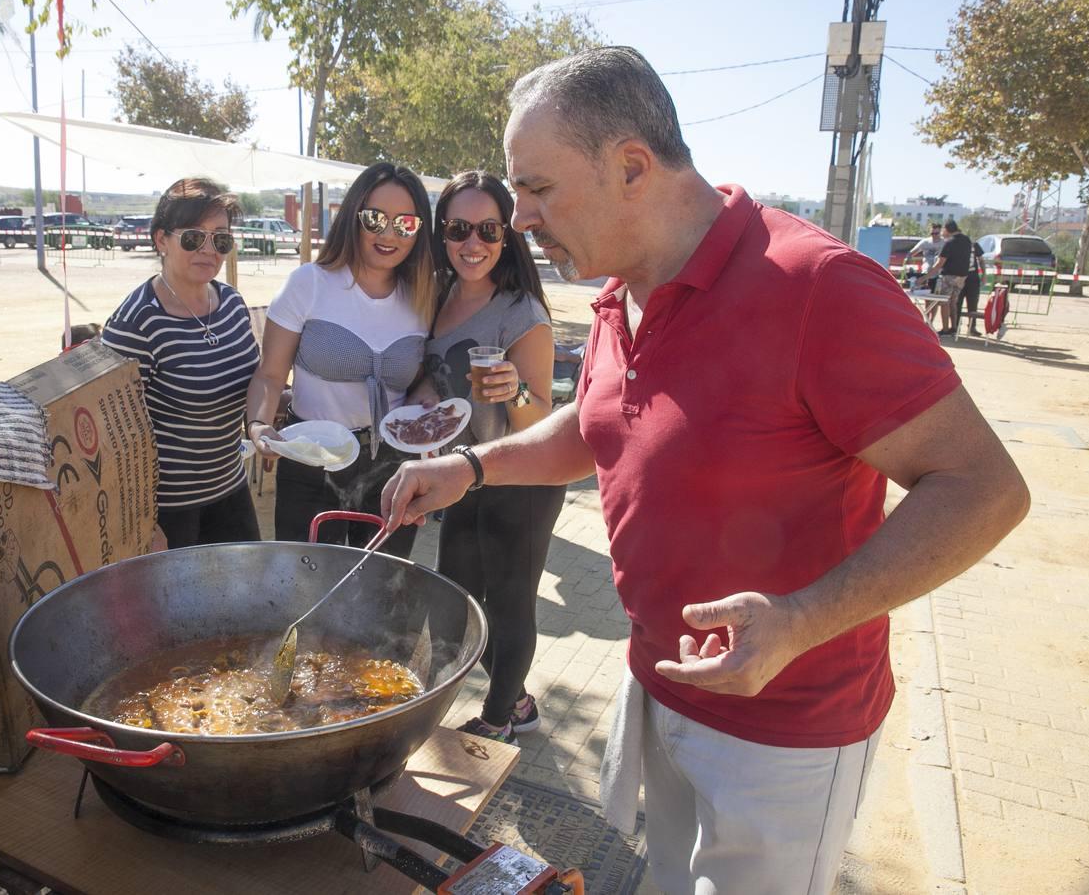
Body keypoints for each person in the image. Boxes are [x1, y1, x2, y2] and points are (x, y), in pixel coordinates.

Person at [380, 46, 1030, 894]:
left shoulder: (820, 286)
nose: (523, 219)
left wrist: (800, 619)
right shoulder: (621, 289)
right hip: (661, 693)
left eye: (538, 188)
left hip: (786, 734)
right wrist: (472, 465)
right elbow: (605, 424)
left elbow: (985, 488)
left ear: (631, 167)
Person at [422, 170, 565, 744]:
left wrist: (517, 392)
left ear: (507, 236)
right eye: (459, 228)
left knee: (508, 605)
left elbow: (543, 421)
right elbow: (432, 379)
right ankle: (520, 700)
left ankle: (500, 717)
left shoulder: (521, 312)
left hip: (522, 477)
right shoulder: (438, 296)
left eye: (488, 229)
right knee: (454, 598)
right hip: (465, 472)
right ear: (442, 233)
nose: (472, 243)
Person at [245, 162, 434, 556]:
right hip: (313, 460)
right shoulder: (309, 284)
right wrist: (260, 424)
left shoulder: (424, 296)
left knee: (382, 594)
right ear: (352, 217)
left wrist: (427, 407)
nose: (388, 234)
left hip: (392, 467)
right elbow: (270, 374)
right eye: (375, 218)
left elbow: (421, 380)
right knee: (308, 591)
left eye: (405, 224)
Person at [101, 178, 261, 550]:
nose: (209, 249)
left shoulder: (232, 304)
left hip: (230, 490)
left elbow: (248, 382)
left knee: (243, 604)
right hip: (168, 512)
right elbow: (113, 438)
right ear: (162, 240)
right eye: (193, 237)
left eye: (220, 239)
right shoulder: (137, 321)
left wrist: (273, 414)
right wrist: (145, 521)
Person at [928, 219, 974, 337]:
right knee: (954, 302)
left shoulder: (949, 243)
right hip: (962, 276)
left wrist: (925, 277)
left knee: (944, 302)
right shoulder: (967, 240)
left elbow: (940, 262)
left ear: (947, 230)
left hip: (949, 276)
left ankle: (945, 329)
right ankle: (954, 327)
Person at [908, 221, 945, 325]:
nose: (934, 236)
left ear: (940, 233)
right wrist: (910, 259)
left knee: (934, 299)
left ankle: (931, 321)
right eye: (932, 233)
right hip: (925, 273)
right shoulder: (925, 242)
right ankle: (926, 319)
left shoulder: (944, 243)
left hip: (938, 274)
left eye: (936, 233)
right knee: (926, 298)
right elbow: (912, 252)